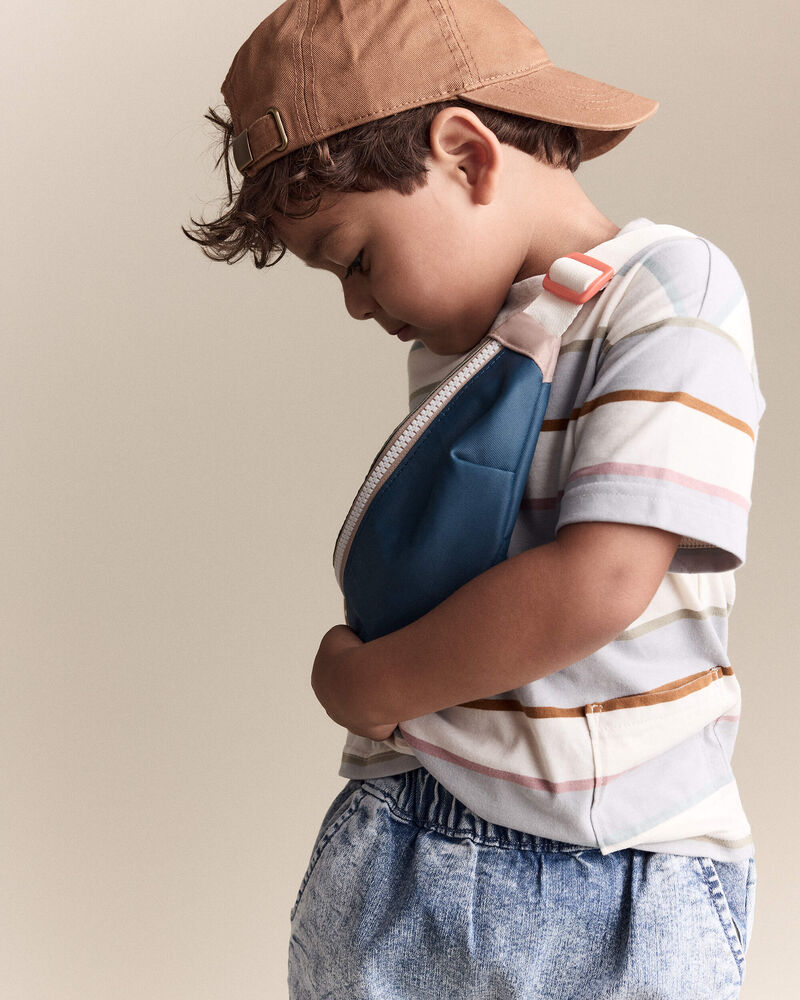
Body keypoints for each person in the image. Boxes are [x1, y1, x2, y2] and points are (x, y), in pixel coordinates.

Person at [183, 1, 766, 996]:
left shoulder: (667, 291)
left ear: (465, 155)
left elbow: (603, 576)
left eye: (354, 257)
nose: (356, 305)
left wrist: (374, 687)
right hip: (401, 837)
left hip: (618, 864)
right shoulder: (462, 352)